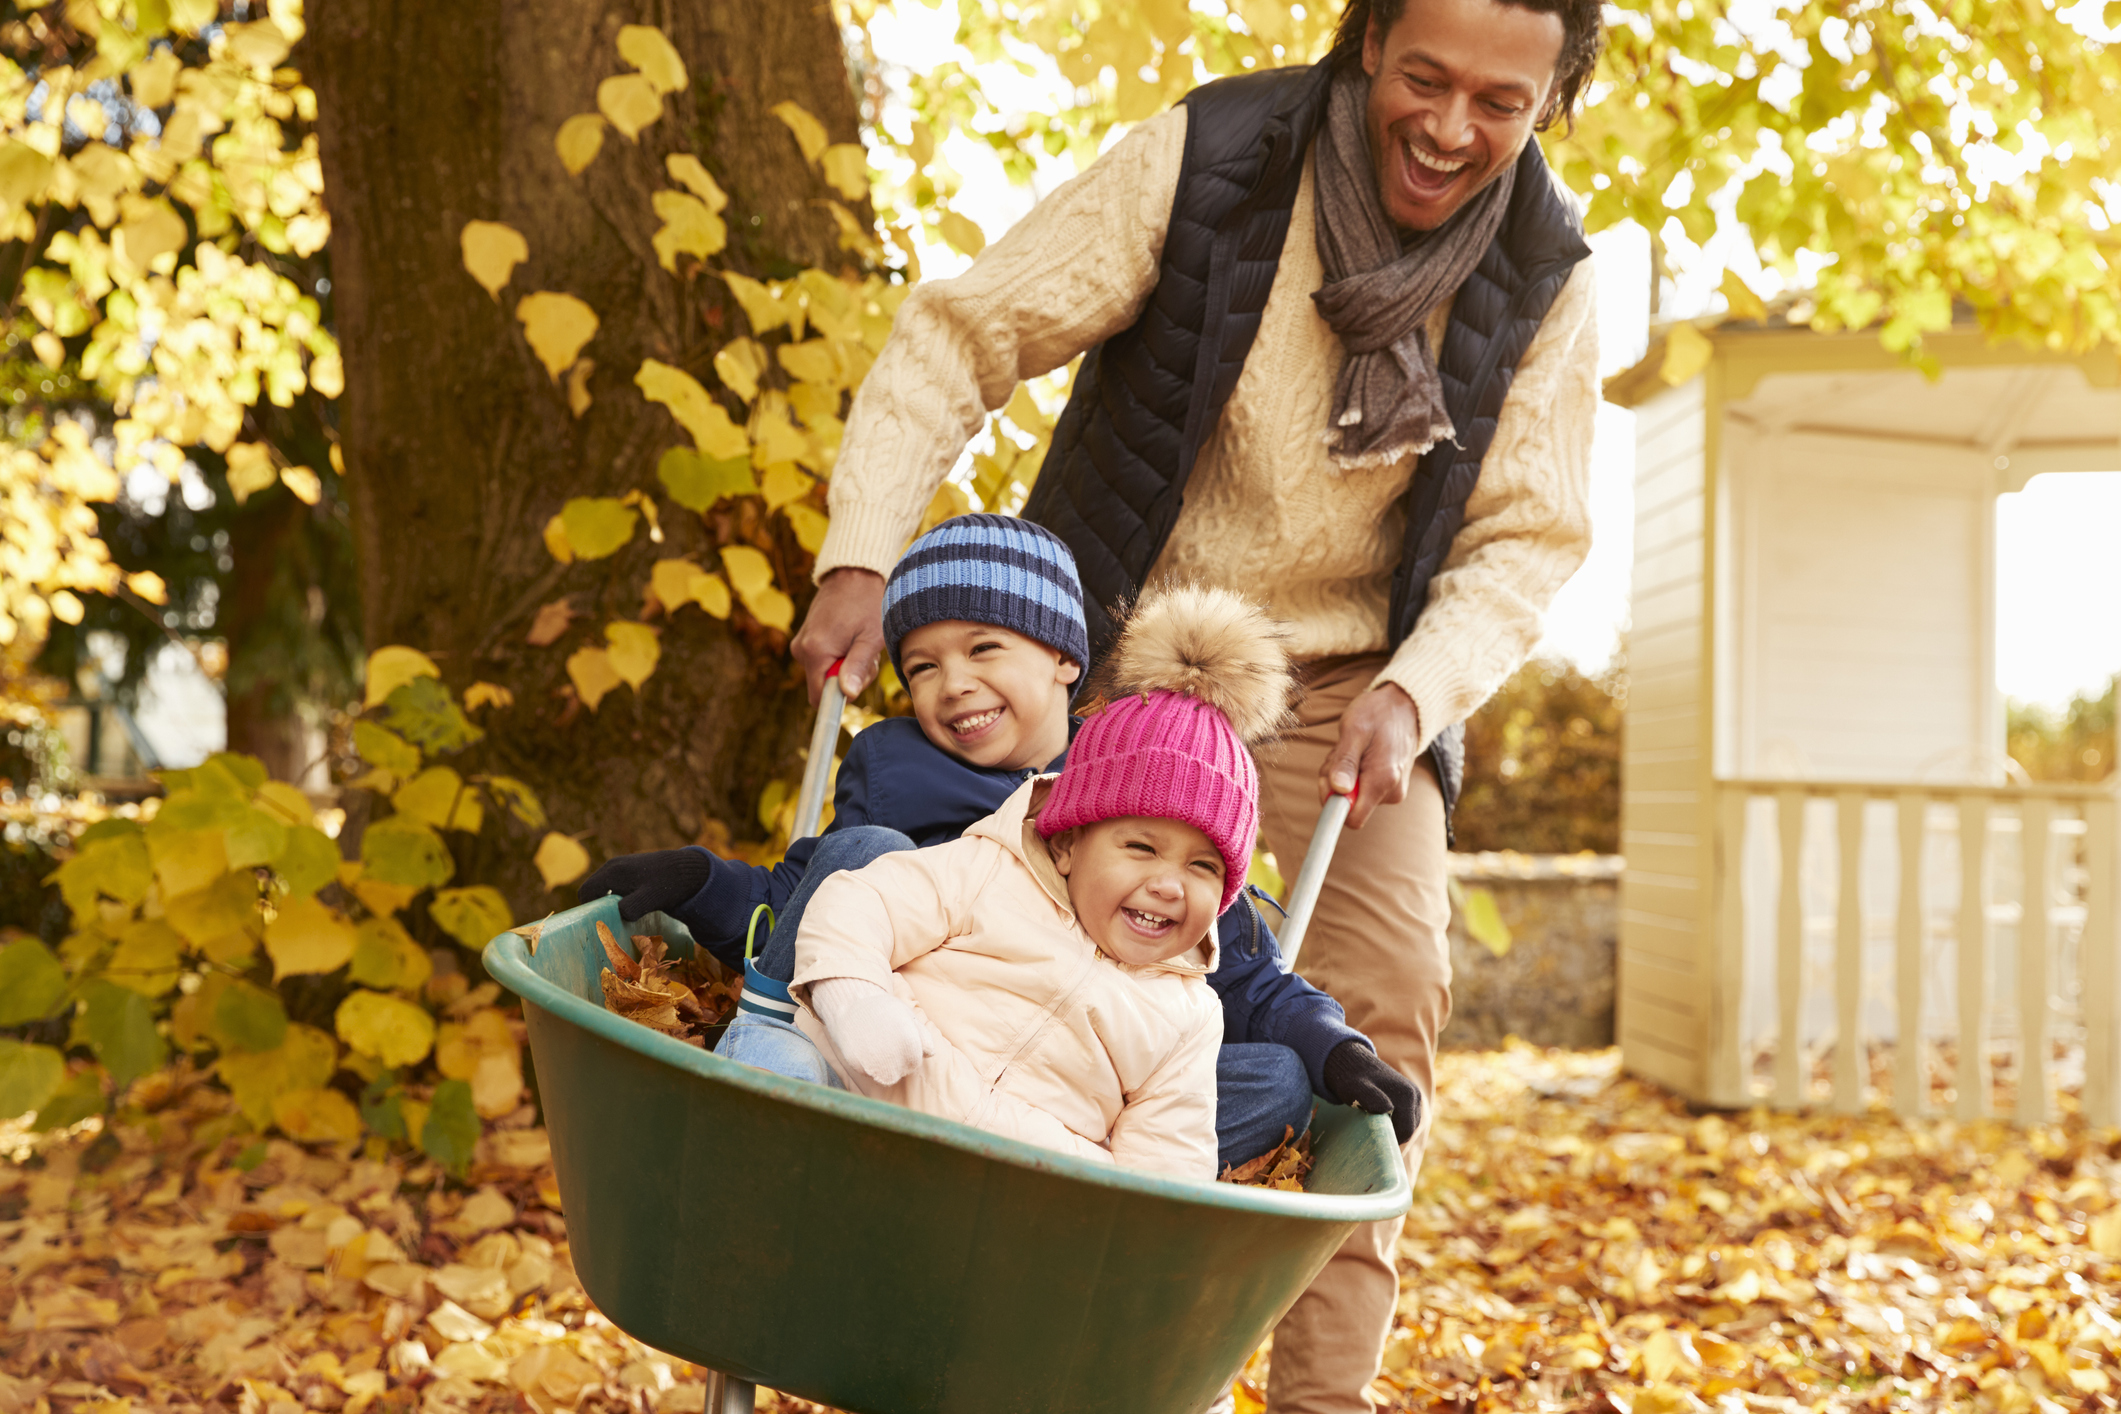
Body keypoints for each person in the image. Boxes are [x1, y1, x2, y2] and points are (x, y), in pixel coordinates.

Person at [786, 0, 1604, 1404]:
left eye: (1500, 102)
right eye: (1423, 78)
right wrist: (865, 550)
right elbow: (963, 330)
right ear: (1364, 46)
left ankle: (1308, 1389)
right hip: (1119, 635)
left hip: (1349, 679)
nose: (1452, 129)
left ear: (1547, 100)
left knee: (1385, 1007)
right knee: (969, 936)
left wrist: (1414, 695)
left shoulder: (1545, 272)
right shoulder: (1214, 158)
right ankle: (942, 1334)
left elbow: (1526, 539)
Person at [579, 514, 1421, 1170]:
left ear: (1063, 658)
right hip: (899, 1046)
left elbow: (1249, 975)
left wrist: (1332, 1047)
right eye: (921, 667)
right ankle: (773, 1076)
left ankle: (1073, 1178)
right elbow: (805, 903)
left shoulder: (1154, 786)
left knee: (1269, 1078)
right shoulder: (896, 772)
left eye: (984, 648)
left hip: (1063, 1096)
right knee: (865, 855)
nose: (954, 685)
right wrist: (699, 882)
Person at [720, 586, 1305, 1179]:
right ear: (1069, 843)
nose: (1169, 884)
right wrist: (857, 999)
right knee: (784, 1059)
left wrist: (1123, 1214)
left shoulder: (1188, 1016)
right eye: (1141, 848)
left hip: (1008, 1177)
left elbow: (1166, 1157)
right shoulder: (991, 870)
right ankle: (753, 1140)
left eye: (1202, 866)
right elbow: (859, 902)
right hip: (863, 1087)